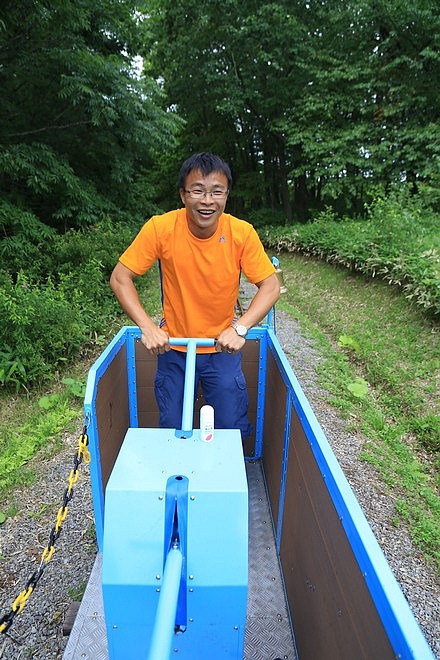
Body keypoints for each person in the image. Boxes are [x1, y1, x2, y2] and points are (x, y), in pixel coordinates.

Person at [110, 152, 280, 438]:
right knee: (173, 425)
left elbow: (270, 286)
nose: (207, 200)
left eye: (217, 191)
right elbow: (120, 278)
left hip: (221, 348)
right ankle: (179, 474)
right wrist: (148, 327)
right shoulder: (161, 228)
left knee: (230, 424)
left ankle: (227, 477)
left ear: (226, 195)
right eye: (197, 190)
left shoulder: (241, 233)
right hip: (174, 348)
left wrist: (240, 328)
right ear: (183, 194)